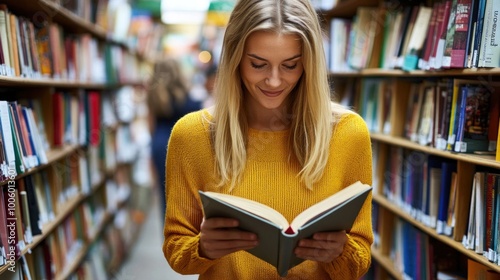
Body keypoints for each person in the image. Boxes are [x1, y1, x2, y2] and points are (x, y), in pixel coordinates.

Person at [162, 0, 373, 278]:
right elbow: (177, 251)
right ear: (235, 58)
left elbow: (360, 260)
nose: (274, 81)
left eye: (290, 65)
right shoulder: (192, 135)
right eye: (258, 64)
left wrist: (340, 251)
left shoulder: (348, 133)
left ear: (308, 64)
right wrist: (203, 248)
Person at [147, 58, 202, 223]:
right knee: (186, 195)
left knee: (166, 196)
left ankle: (170, 239)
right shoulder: (185, 95)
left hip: (159, 145)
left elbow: (150, 125)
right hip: (182, 145)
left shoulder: (154, 94)